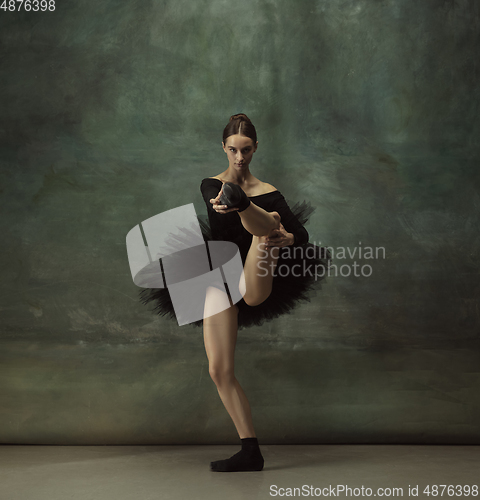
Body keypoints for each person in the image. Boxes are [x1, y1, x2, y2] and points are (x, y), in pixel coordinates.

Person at [139, 113, 331, 472]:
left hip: (257, 272)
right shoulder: (211, 185)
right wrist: (227, 203)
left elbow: (300, 235)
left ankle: (250, 209)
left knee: (268, 230)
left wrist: (289, 236)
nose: (239, 157)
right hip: (219, 277)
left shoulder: (271, 191)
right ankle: (250, 451)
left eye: (245, 150)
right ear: (223, 148)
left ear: (256, 148)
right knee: (218, 370)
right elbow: (219, 212)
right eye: (232, 150)